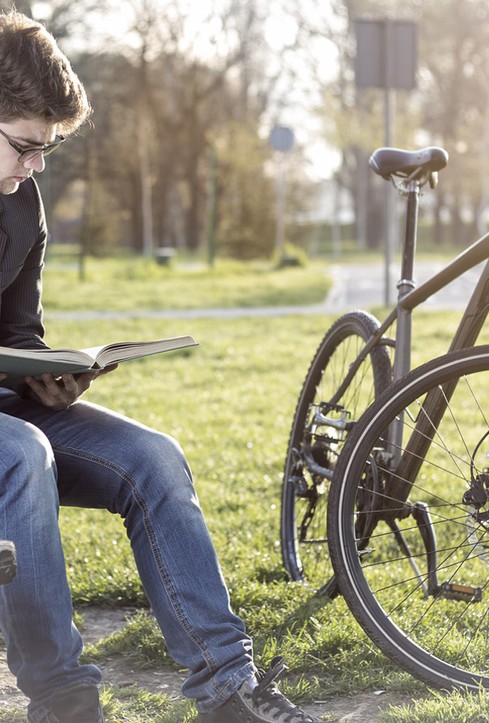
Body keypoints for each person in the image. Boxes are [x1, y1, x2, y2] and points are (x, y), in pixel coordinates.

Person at [0, 10, 324, 723]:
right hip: (8, 442)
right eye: (25, 146)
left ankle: (229, 691)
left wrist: (50, 375)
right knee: (22, 451)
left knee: (152, 456)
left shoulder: (23, 203)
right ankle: (63, 701)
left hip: (7, 409)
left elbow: (19, 329)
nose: (37, 166)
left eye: (48, 149)